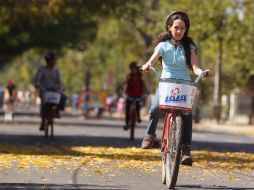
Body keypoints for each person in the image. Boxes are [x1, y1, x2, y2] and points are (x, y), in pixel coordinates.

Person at [140, 10, 212, 166]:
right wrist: (147, 65)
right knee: (154, 109)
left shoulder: (190, 46)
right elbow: (151, 60)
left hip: (184, 84)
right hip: (166, 83)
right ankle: (150, 135)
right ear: (169, 28)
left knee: (186, 114)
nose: (179, 31)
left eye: (182, 28)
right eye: (176, 27)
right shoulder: (163, 45)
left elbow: (195, 67)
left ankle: (186, 150)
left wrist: (202, 72)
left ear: (186, 30)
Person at [34, 52, 67, 131]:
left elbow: (59, 82)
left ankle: (57, 111)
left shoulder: (56, 71)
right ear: (49, 61)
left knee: (63, 96)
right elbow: (37, 80)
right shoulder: (42, 70)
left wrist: (61, 87)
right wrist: (37, 85)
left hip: (54, 91)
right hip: (44, 91)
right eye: (54, 60)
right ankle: (43, 121)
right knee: (44, 105)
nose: (55, 62)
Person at [123, 61, 145, 130]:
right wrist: (124, 92)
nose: (134, 70)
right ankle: (126, 123)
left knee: (138, 105)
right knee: (127, 108)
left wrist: (145, 92)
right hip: (130, 95)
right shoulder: (129, 76)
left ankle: (138, 117)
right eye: (133, 68)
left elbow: (143, 86)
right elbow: (126, 85)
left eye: (135, 68)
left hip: (138, 95)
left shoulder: (140, 77)